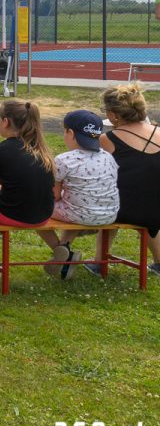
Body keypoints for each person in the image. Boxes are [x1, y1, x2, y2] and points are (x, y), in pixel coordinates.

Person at [32, 110, 118, 279]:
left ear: (70, 133)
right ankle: (64, 252)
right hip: (108, 214)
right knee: (73, 203)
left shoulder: (64, 159)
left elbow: (54, 195)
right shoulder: (108, 157)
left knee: (34, 212)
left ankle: (62, 255)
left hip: (80, 214)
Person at [0, 100, 55, 277]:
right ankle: (61, 250)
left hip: (14, 214)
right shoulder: (42, 149)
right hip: (43, 214)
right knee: (23, 197)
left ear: (6, 122)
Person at [97, 83, 160, 277]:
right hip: (155, 209)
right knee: (146, 201)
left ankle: (99, 262)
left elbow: (101, 176)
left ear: (114, 115)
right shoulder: (158, 132)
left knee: (113, 201)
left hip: (122, 209)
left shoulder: (108, 139)